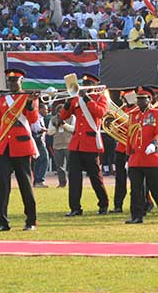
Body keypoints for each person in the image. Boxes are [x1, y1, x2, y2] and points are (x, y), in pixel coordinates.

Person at [0, 68, 38, 231]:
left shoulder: (27, 97)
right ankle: (2, 222)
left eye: (15, 81)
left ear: (21, 82)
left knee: (26, 185)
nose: (12, 84)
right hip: (4, 147)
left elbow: (33, 119)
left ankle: (31, 221)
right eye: (9, 81)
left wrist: (31, 103)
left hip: (22, 146)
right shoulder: (3, 99)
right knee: (2, 186)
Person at [60, 73, 110, 216]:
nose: (85, 86)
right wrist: (68, 103)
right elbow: (64, 116)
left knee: (95, 176)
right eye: (84, 83)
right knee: (74, 178)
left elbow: (100, 113)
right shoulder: (76, 98)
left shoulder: (101, 97)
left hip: (90, 143)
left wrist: (86, 98)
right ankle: (75, 208)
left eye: (88, 84)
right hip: (76, 143)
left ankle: (103, 204)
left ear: (94, 85)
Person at [125, 86, 158, 224]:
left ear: (149, 99)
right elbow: (130, 136)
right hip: (136, 158)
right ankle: (137, 216)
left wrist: (155, 144)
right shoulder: (133, 115)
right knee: (136, 190)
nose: (139, 102)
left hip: (152, 157)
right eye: (138, 99)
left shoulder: (156, 113)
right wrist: (128, 154)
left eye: (142, 99)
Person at [46, 100, 75, 188]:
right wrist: (56, 125)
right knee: (59, 166)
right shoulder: (53, 119)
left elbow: (73, 129)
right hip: (57, 145)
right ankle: (62, 183)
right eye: (59, 112)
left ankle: (73, 183)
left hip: (69, 144)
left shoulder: (72, 117)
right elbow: (49, 132)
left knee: (71, 166)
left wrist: (64, 125)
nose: (60, 114)